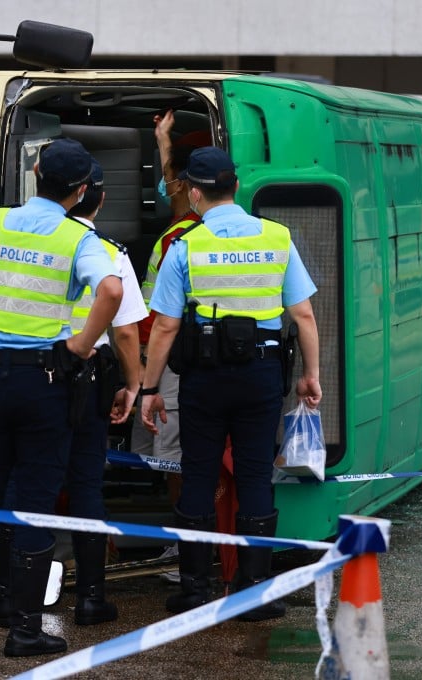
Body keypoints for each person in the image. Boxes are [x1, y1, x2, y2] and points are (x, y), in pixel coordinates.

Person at [0, 138, 122, 657]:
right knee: (34, 502)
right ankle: (24, 633)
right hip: (44, 384)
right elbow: (113, 293)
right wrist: (78, 346)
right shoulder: (79, 237)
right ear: (80, 192)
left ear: (34, 171)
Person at [140, 146, 322, 620]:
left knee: (198, 474)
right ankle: (254, 592)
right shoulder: (278, 238)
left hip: (205, 377)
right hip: (261, 376)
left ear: (195, 193)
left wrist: (149, 388)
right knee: (255, 475)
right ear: (236, 187)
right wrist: (310, 376)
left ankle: (195, 590)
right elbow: (302, 314)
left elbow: (163, 327)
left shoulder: (185, 247)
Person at [0, 160, 147, 629]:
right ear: (95, 198)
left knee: (18, 483)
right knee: (86, 486)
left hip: (29, 375)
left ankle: (7, 597)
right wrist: (132, 385)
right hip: (86, 378)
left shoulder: (16, 237)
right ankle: (92, 599)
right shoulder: (106, 251)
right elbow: (127, 333)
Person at [132, 112, 210, 580]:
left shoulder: (190, 237)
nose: (170, 184)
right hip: (158, 361)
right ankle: (181, 543)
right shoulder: (187, 225)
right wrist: (162, 141)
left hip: (170, 362)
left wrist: (148, 371)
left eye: (176, 175)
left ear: (190, 184)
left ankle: (187, 551)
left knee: (176, 456)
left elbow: (165, 321)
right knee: (165, 455)